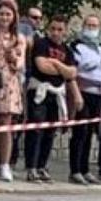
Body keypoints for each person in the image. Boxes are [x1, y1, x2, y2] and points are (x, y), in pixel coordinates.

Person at [25, 14, 75, 183]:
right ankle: (31, 167)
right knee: (36, 130)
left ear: (65, 31)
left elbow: (72, 73)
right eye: (53, 28)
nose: (55, 32)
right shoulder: (41, 44)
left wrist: (57, 64)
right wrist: (62, 69)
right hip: (39, 91)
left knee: (50, 132)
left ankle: (42, 166)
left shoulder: (67, 50)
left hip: (56, 93)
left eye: (60, 29)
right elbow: (42, 66)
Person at [0, 0, 25, 183]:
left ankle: (4, 164)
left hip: (8, 82)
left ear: (14, 17)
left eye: (8, 14)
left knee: (5, 124)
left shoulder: (18, 38)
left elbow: (20, 63)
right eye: (1, 14)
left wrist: (13, 57)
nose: (4, 17)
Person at [69, 13, 101, 185]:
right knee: (80, 132)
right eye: (89, 25)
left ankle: (85, 169)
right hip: (83, 92)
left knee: (90, 133)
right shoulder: (76, 46)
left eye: (95, 26)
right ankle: (75, 170)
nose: (91, 28)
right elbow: (76, 69)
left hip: (98, 94)